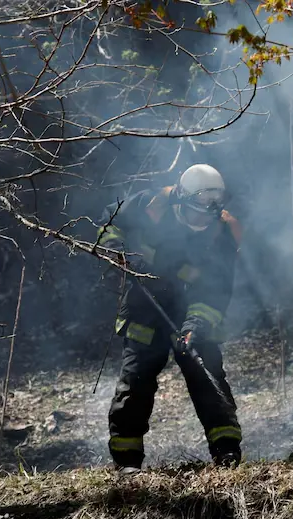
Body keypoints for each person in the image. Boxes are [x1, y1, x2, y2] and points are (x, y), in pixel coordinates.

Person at [96, 163, 244, 474]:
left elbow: (216, 291)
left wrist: (196, 327)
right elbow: (109, 220)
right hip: (143, 306)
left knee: (208, 377)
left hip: (190, 311)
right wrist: (113, 249)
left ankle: (227, 454)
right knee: (135, 384)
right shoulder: (151, 205)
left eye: (211, 213)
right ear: (180, 200)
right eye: (198, 212)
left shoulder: (223, 233)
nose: (204, 220)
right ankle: (127, 463)